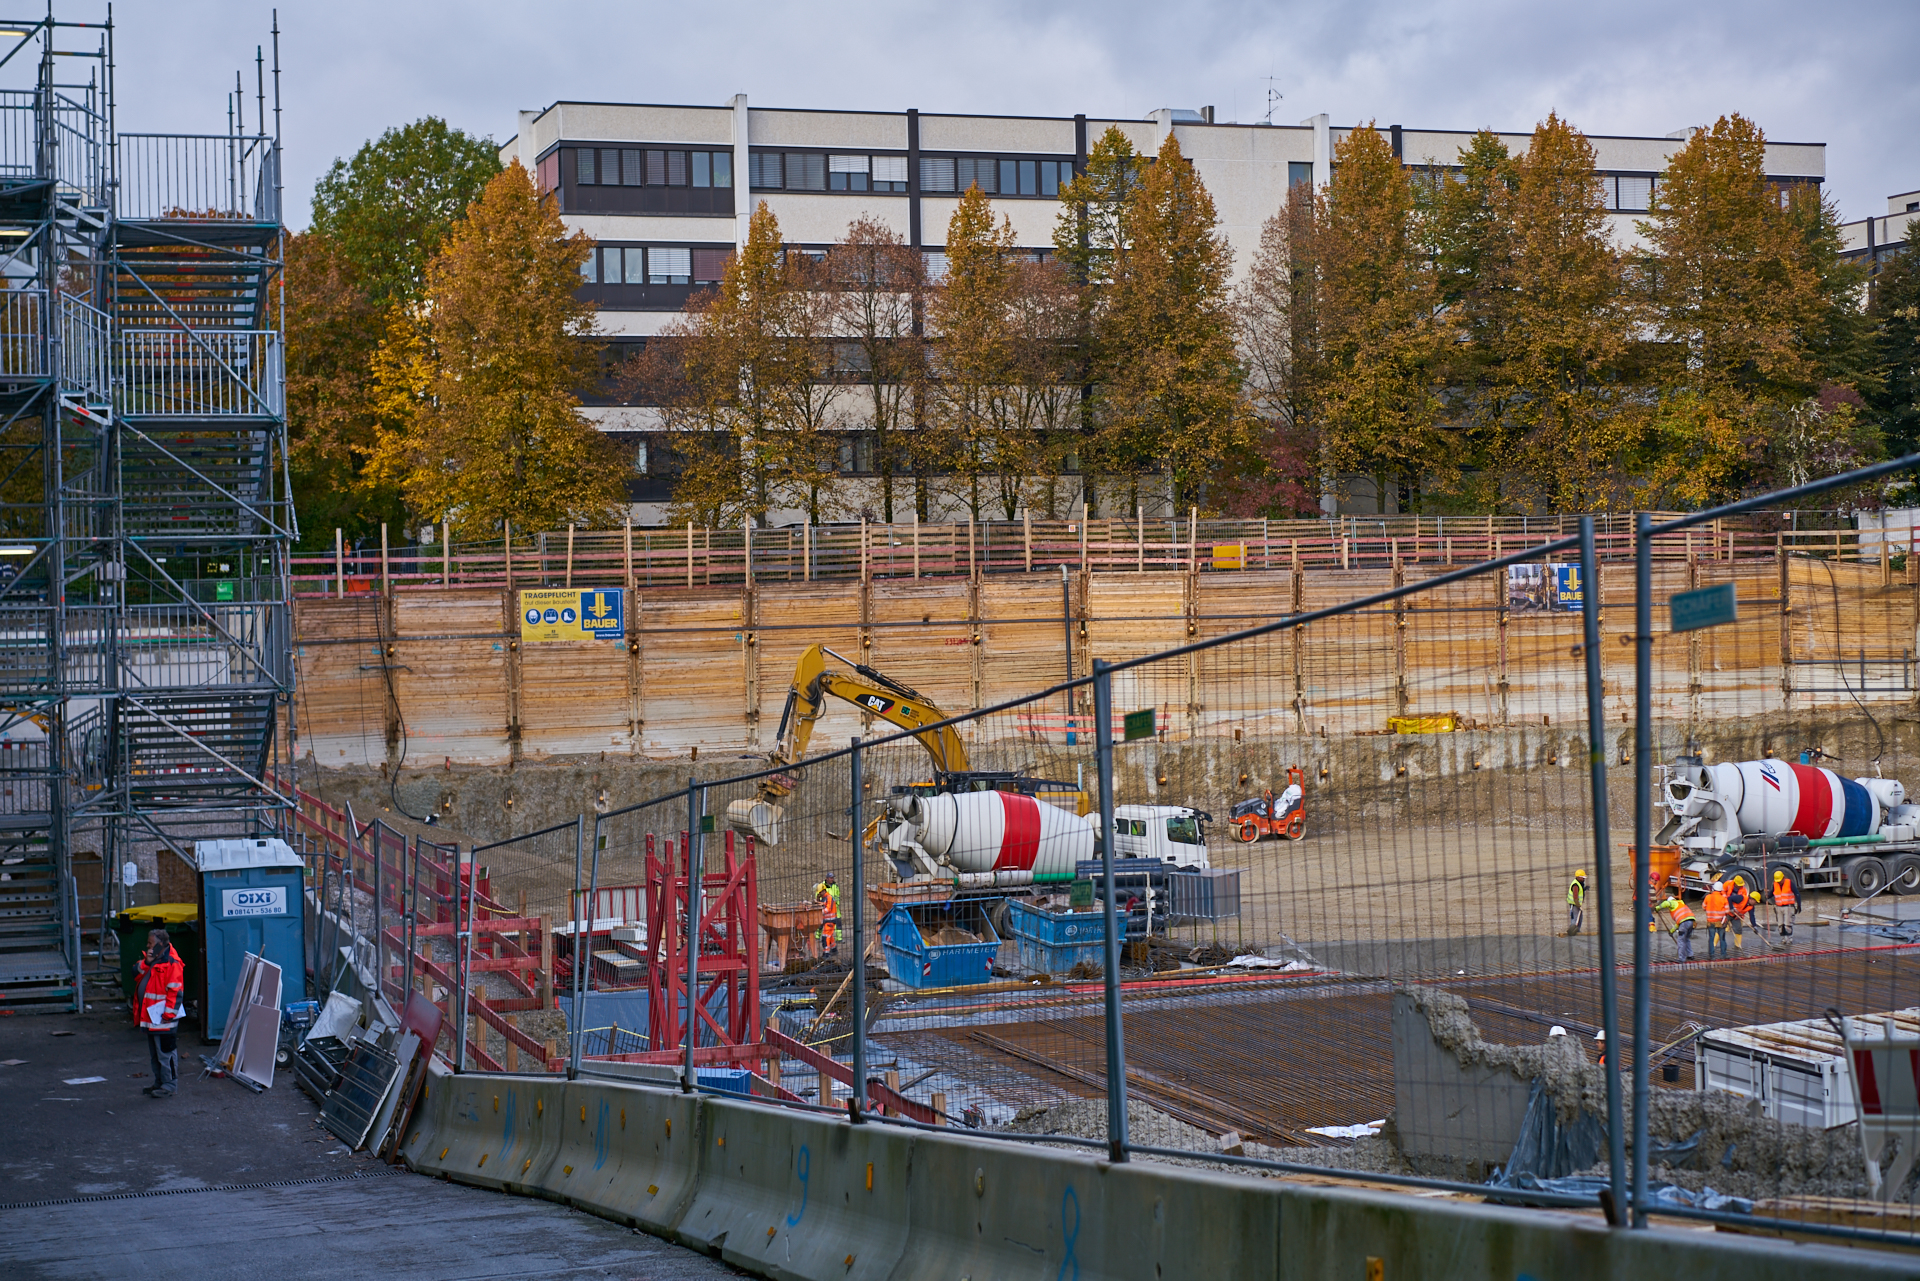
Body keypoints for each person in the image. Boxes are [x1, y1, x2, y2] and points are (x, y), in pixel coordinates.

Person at [133, 928, 185, 1098]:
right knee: (156, 1055)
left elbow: (175, 992)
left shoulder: (172, 963)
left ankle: (169, 1085)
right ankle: (160, 1083)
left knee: (166, 1054)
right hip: (151, 1019)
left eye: (151, 944)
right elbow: (135, 973)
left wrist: (168, 1016)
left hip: (163, 1020)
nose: (148, 947)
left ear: (160, 945)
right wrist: (146, 963)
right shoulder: (154, 960)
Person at [1655, 892, 1695, 962]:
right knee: (1686, 939)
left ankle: (1681, 958)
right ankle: (1690, 955)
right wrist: (1672, 931)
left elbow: (1666, 904)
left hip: (1684, 922)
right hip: (1691, 921)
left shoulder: (1673, 902)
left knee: (1681, 940)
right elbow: (1679, 923)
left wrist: (1658, 908)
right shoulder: (1681, 904)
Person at [813, 874, 840, 955]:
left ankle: (826, 953)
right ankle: (834, 949)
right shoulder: (824, 898)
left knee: (825, 937)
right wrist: (818, 901)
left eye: (820, 892)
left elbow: (827, 909)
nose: (819, 894)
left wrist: (819, 911)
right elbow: (823, 904)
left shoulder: (829, 898)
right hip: (828, 921)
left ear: (823, 891)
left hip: (831, 921)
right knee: (830, 936)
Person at [1702, 880, 1730, 960]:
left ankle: (1711, 955)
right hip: (1720, 922)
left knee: (1711, 938)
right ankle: (1723, 954)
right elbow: (1727, 911)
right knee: (1722, 938)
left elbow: (1703, 907)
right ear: (1721, 890)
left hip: (1710, 922)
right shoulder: (1723, 899)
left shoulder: (1708, 897)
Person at [1771, 868, 1798, 939]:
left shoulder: (1789, 883)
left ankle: (1789, 938)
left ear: (1783, 878)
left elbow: (1797, 893)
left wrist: (1799, 904)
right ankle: (1783, 939)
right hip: (1778, 907)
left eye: (1780, 881)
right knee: (1780, 925)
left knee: (1788, 925)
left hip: (1788, 907)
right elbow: (1771, 893)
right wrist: (1767, 895)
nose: (1779, 882)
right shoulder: (1775, 884)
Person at [1725, 876, 1750, 951]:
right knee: (1720, 927)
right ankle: (1714, 944)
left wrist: (1740, 913)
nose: (1740, 887)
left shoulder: (1743, 890)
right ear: (1735, 883)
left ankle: (1738, 945)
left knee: (1738, 929)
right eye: (1739, 885)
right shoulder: (1728, 884)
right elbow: (1723, 893)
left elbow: (1744, 902)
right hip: (1727, 908)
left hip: (1736, 911)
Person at [1566, 870, 1588, 936]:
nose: (1584, 878)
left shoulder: (1579, 883)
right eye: (1582, 877)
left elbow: (1580, 892)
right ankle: (1572, 932)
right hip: (1575, 904)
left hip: (1577, 904)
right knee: (1575, 918)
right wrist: (1578, 905)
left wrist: (1584, 889)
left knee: (1580, 917)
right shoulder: (1575, 885)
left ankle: (1577, 930)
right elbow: (1575, 896)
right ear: (1578, 877)